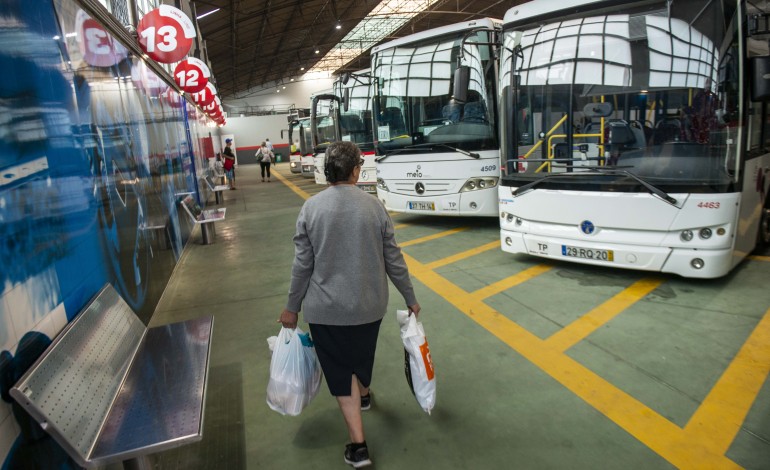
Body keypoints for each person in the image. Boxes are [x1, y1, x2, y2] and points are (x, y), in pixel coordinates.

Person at [279, 141, 420, 468]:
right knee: (361, 353)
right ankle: (366, 395)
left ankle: (359, 448)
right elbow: (394, 260)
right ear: (356, 171)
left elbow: (302, 266)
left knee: (341, 373)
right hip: (369, 306)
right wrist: (410, 297)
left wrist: (292, 307)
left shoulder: (311, 208)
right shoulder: (375, 207)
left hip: (326, 311)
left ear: (329, 171)